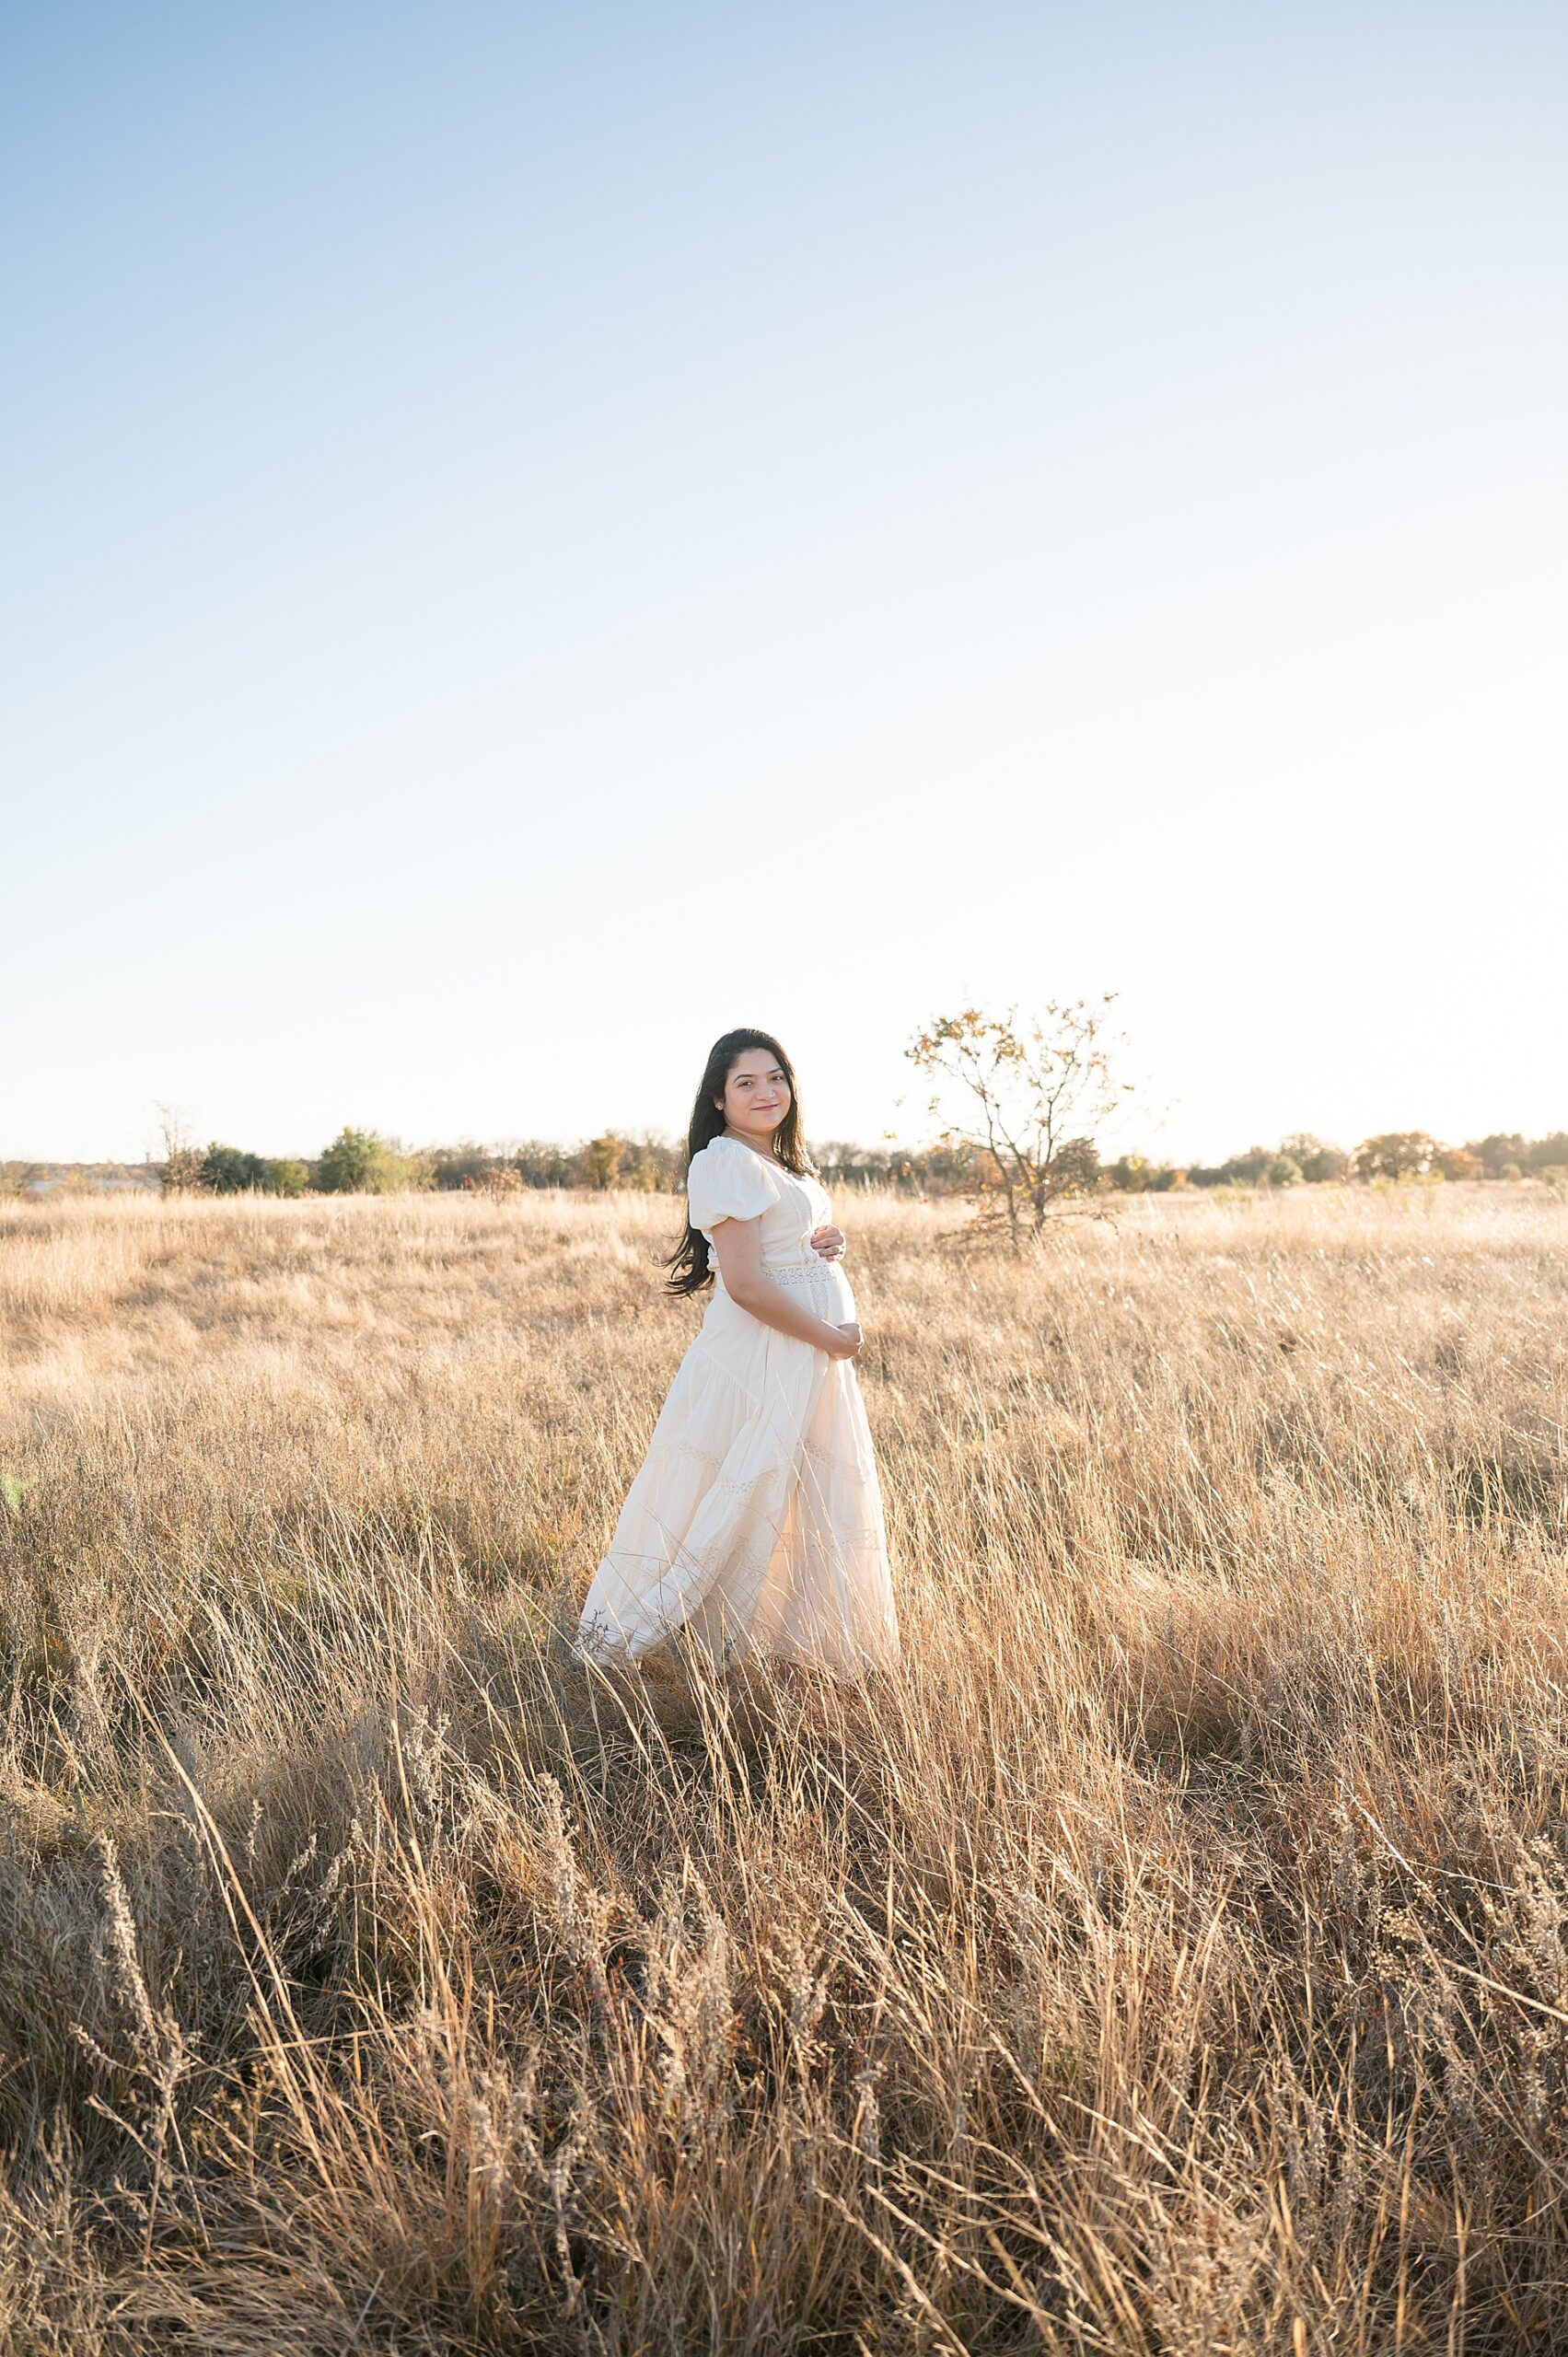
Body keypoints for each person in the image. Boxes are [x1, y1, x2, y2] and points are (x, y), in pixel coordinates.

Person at [571, 1027, 901, 1683]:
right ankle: (683, 1644)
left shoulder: (779, 1161)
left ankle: (786, 1644)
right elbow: (746, 1285)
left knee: (797, 1492)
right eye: (745, 1083)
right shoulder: (725, 1161)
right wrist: (831, 1337)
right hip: (766, 1352)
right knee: (737, 1487)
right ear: (719, 1099)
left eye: (775, 1077)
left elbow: (781, 1245)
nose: (765, 1092)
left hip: (803, 1353)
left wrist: (824, 1242)